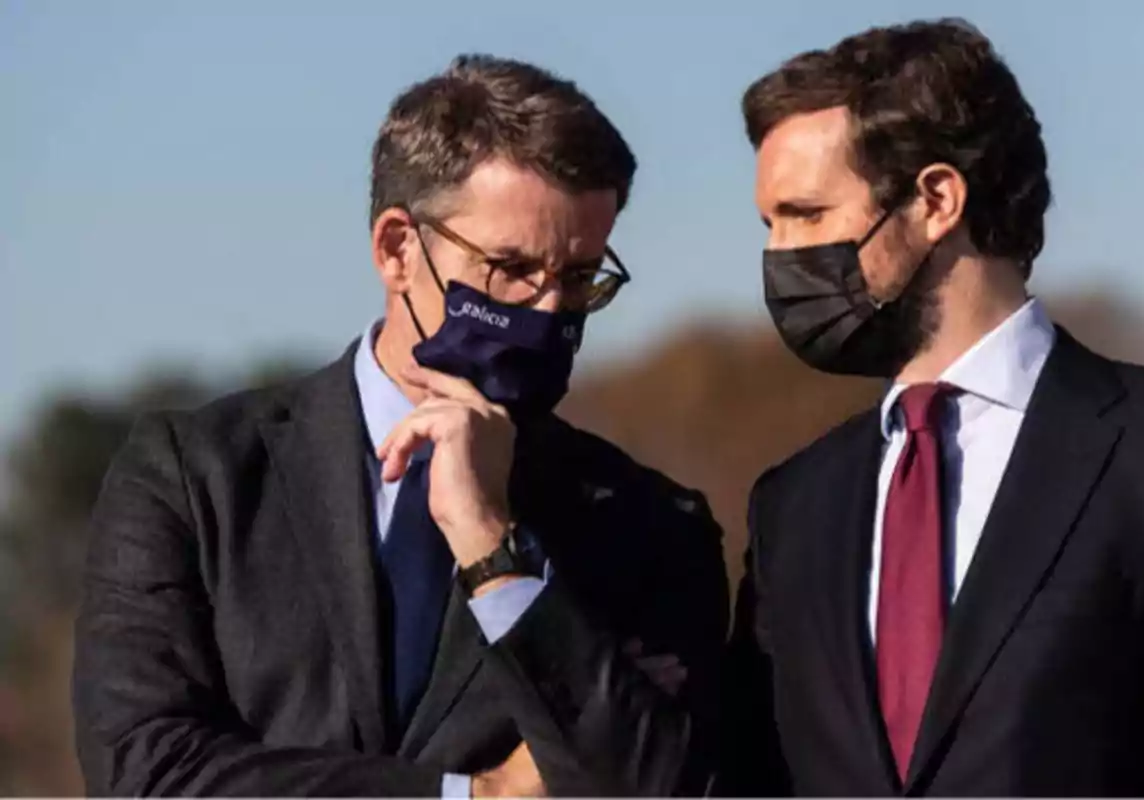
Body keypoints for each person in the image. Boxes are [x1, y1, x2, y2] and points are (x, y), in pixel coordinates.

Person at [73, 54, 728, 797]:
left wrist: (492, 547)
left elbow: (654, 784)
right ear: (396, 248)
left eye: (577, 278)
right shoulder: (196, 479)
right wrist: (474, 795)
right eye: (510, 267)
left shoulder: (651, 528)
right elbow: (148, 774)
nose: (548, 312)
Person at [720, 18, 1144, 797]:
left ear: (937, 199)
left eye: (806, 215)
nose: (780, 256)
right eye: (769, 224)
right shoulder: (793, 506)